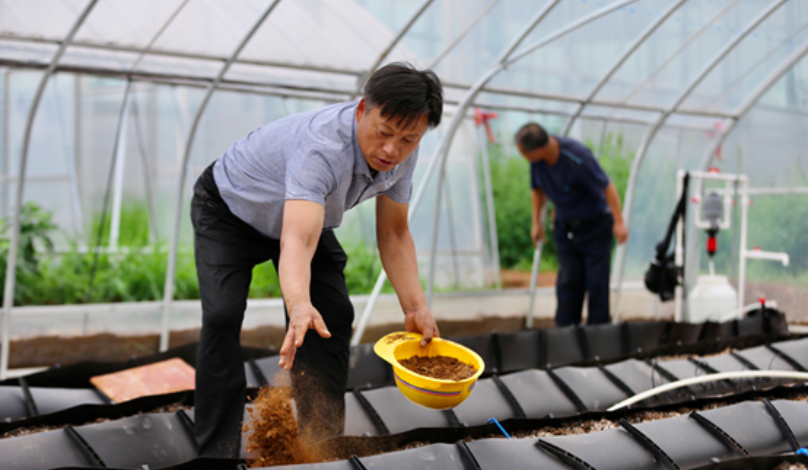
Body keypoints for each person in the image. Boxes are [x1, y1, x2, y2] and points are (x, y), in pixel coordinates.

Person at [191, 62, 443, 458]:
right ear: (362, 110)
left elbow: (394, 231)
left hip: (302, 217)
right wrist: (298, 305)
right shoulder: (321, 147)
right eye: (384, 133)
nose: (392, 149)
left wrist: (416, 307)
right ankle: (214, 454)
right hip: (231, 210)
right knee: (222, 315)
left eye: (409, 139)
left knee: (333, 316)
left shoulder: (402, 153)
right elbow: (297, 237)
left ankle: (321, 446)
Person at [515, 123, 629, 326]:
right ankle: (566, 334)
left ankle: (598, 336)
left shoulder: (577, 156)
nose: (523, 157)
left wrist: (619, 222)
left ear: (538, 149)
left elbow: (607, 186)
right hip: (565, 228)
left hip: (595, 227)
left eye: (523, 152)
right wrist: (536, 223)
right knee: (568, 282)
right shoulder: (537, 162)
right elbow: (537, 190)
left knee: (596, 285)